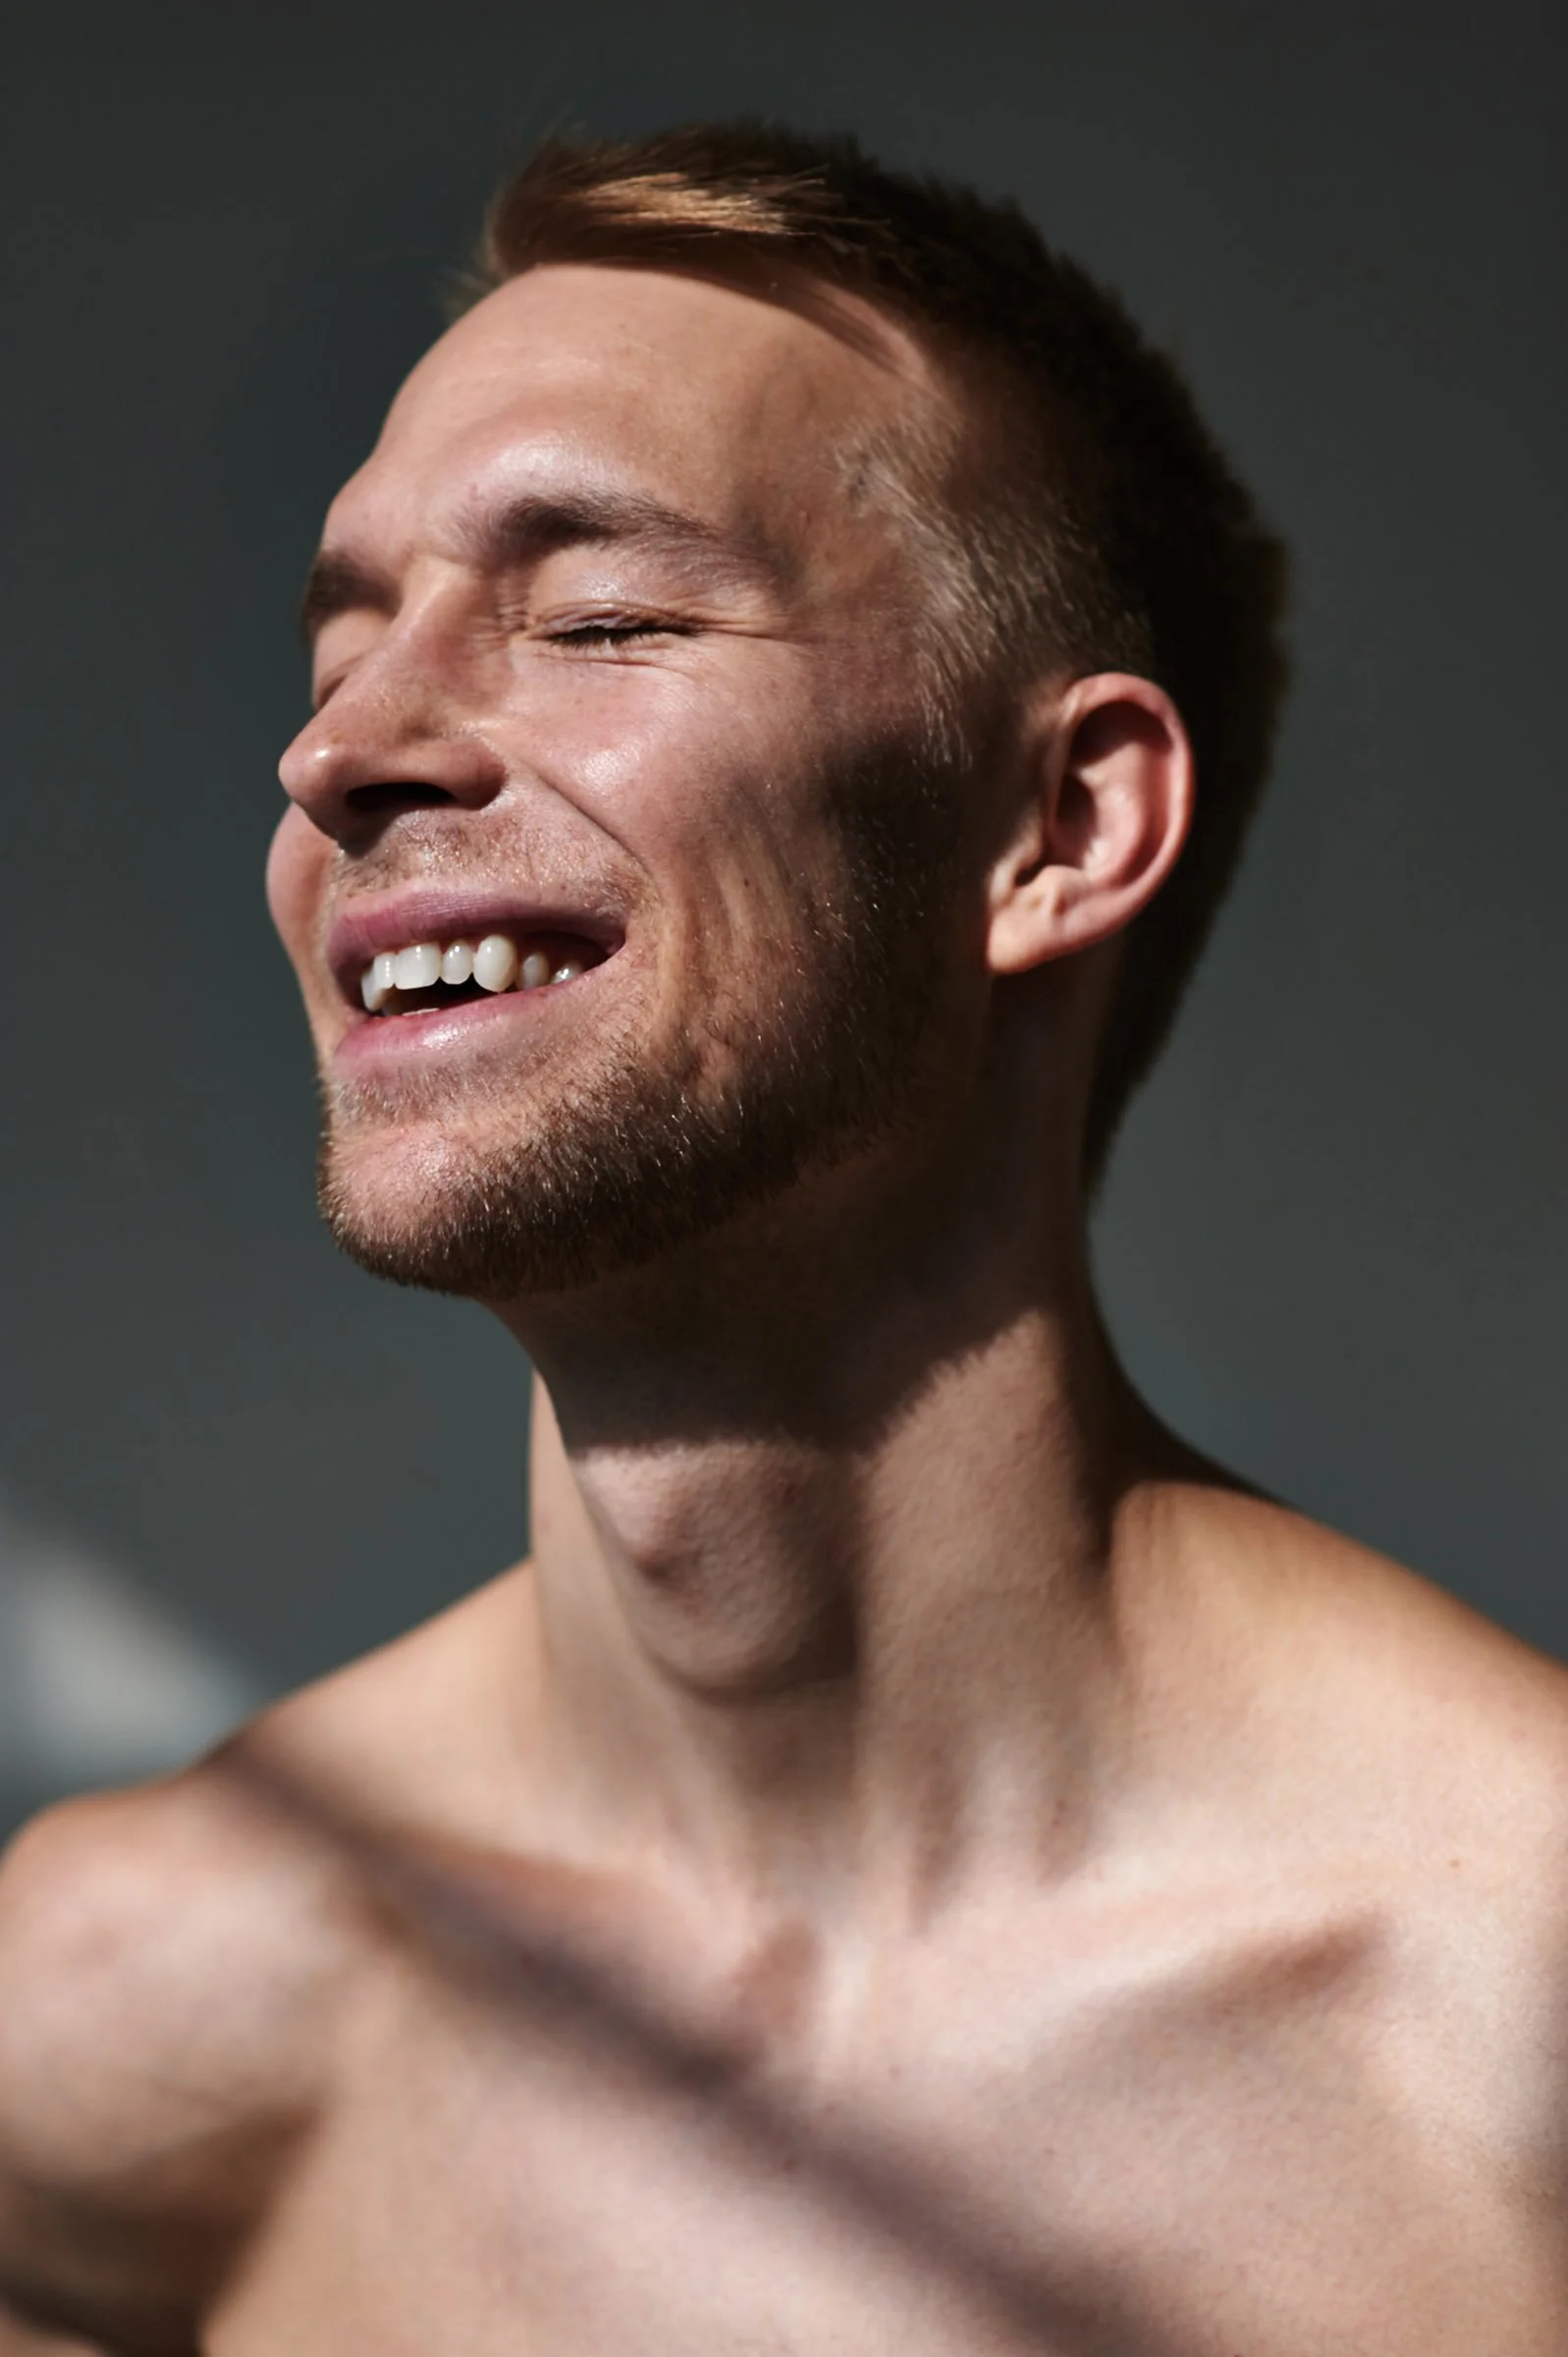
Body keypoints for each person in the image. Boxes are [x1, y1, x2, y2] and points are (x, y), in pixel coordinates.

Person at [1, 121, 1565, 2356]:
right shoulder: (130, 2021)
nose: (343, 750)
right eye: (338, 645)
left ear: (1061, 825)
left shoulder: (1510, 2025)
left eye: (598, 612)